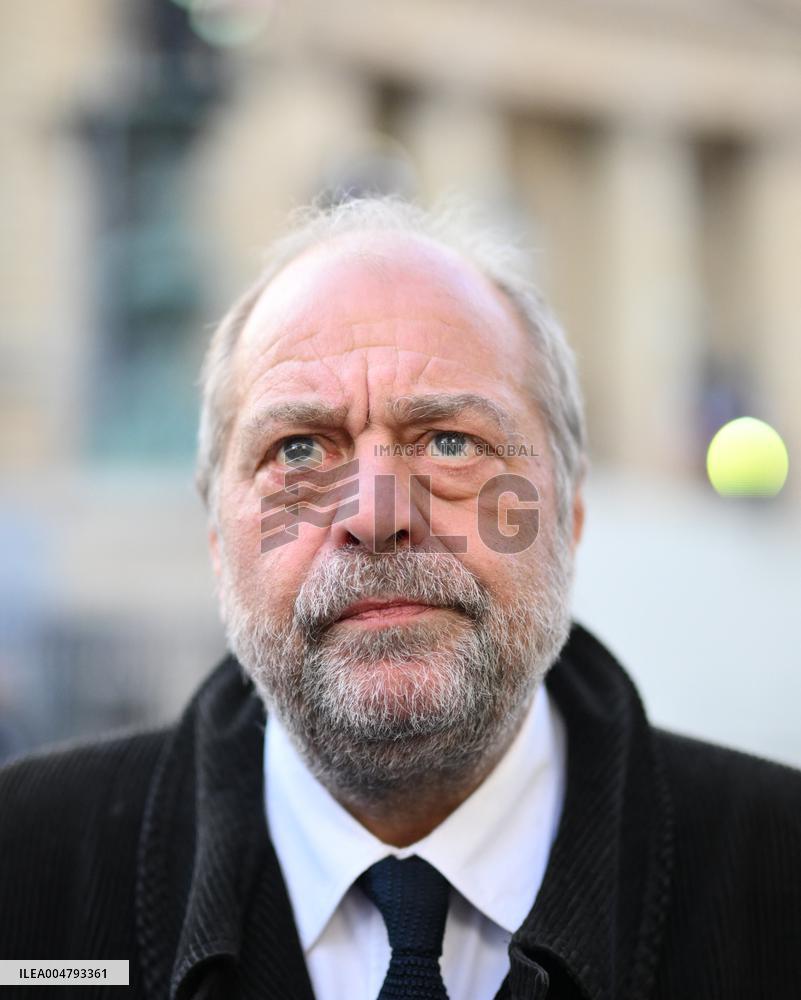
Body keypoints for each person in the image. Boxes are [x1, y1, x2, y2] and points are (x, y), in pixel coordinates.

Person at [1, 197, 799, 1000]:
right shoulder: (24, 870)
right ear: (217, 540)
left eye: (451, 442)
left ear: (569, 513)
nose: (376, 515)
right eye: (299, 449)